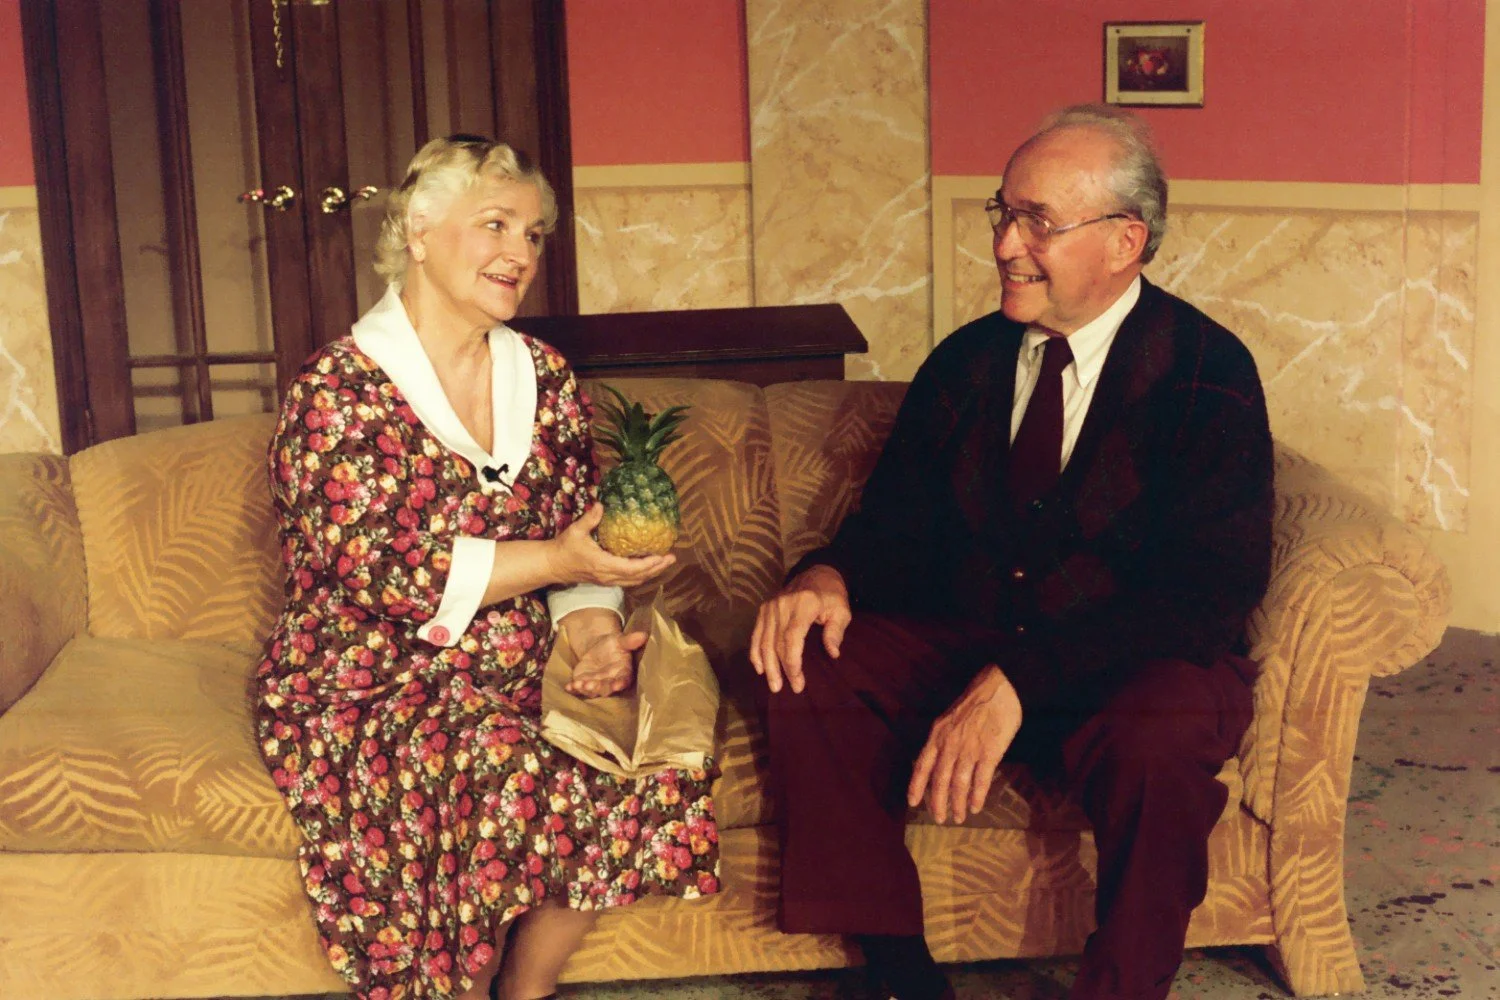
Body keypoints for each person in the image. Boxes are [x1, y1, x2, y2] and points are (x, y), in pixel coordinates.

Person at [750, 105, 1273, 1000]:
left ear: (1125, 242)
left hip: (1130, 658)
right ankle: (897, 970)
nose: (1004, 245)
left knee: (1163, 735)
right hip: (974, 633)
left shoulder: (1207, 372)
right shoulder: (967, 362)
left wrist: (1023, 679)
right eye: (1004, 213)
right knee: (804, 659)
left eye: (1038, 222)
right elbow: (896, 528)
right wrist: (829, 575)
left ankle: (1121, 988)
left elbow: (1206, 594)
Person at [253, 135, 720, 1000]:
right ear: (418, 233)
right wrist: (557, 558)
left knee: (652, 758)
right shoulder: (337, 389)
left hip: (519, 662)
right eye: (496, 224)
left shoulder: (546, 374)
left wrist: (594, 637)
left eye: (533, 234)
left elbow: (578, 541)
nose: (521, 253)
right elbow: (388, 574)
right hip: (371, 677)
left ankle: (526, 988)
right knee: (495, 772)